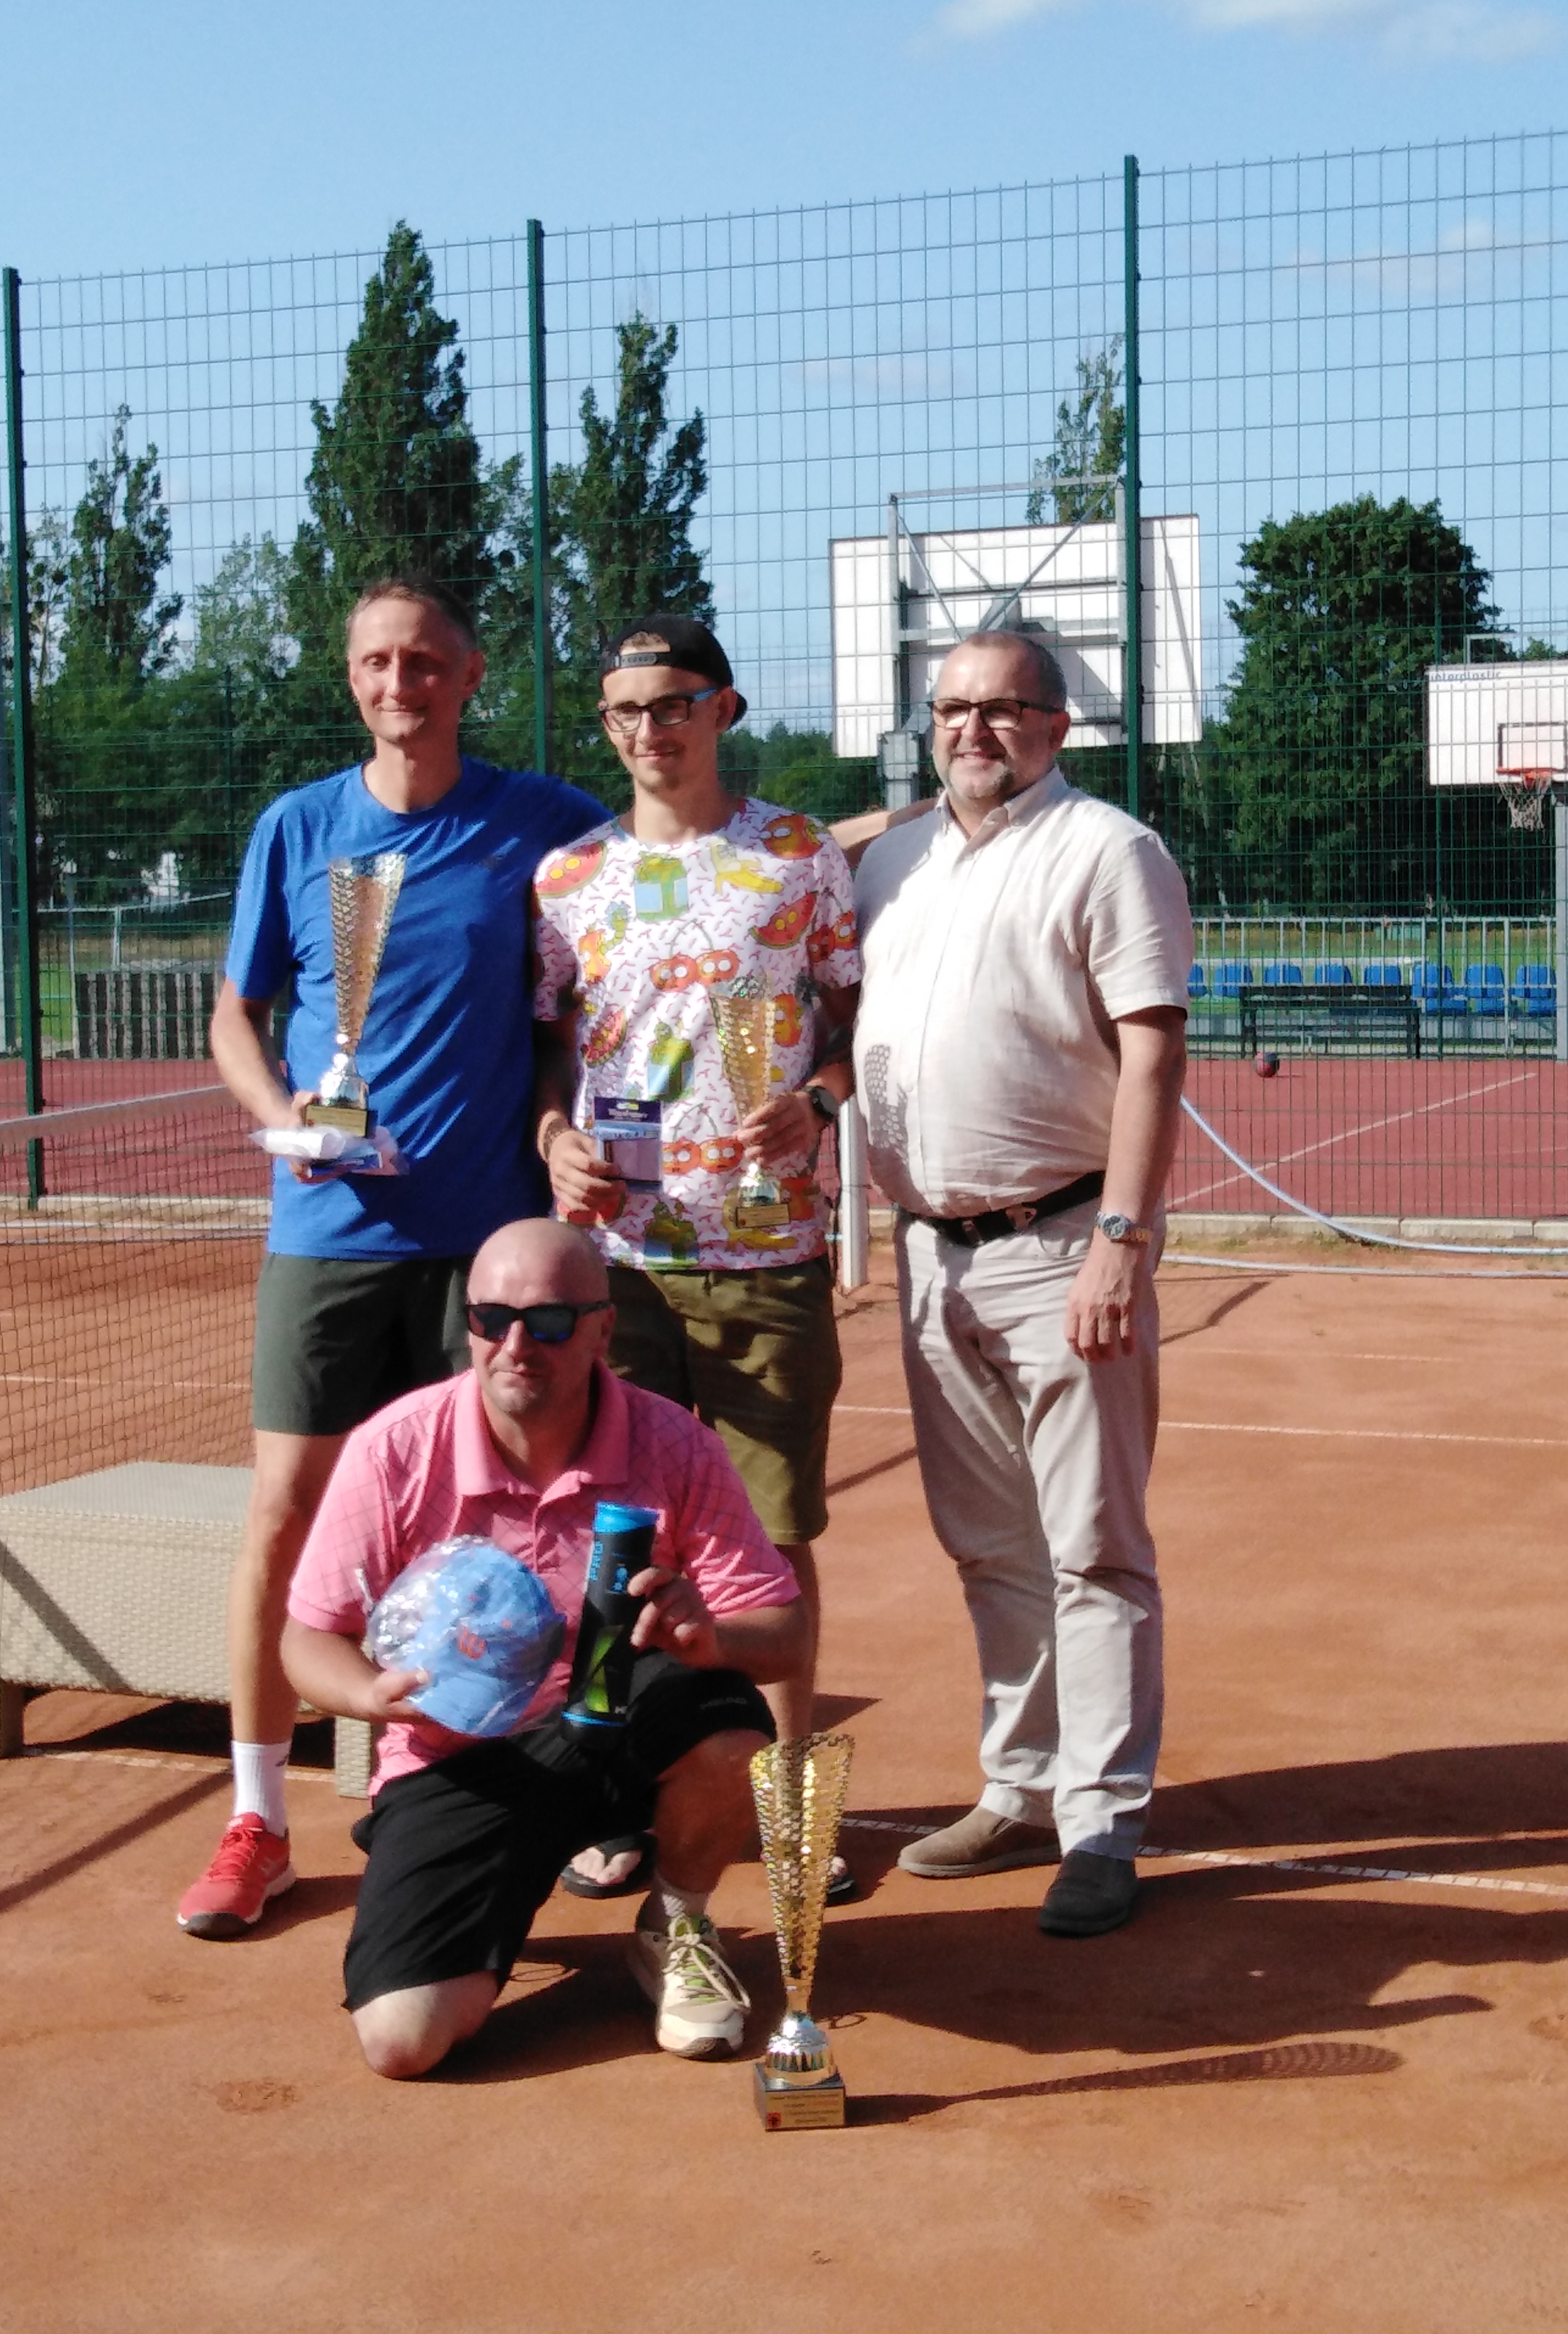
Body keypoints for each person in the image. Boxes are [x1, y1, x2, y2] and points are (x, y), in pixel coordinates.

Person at [176, 579, 604, 1939]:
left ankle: (546, 1795)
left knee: (511, 1520)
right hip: (329, 1232)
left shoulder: (539, 820)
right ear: (350, 676)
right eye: (375, 660)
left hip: (489, 1245)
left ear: (469, 674)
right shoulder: (299, 827)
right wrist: (281, 1119)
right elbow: (235, 1014)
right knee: (286, 1516)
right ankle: (257, 1819)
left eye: (424, 660)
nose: (399, 681)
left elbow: (662, 886)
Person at [283, 1218, 807, 2078]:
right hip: (463, 1760)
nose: (517, 1344)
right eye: (493, 1319)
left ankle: (677, 1921)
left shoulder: (675, 1441)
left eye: (552, 1322)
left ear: (604, 1329)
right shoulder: (397, 1446)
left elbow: (784, 1637)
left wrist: (709, 1636)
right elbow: (309, 1637)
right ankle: (489, 1890)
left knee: (730, 1725)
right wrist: (366, 1697)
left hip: (626, 1723)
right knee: (402, 2042)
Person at [853, 629, 1193, 1939]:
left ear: (1058, 726)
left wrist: (1124, 1235)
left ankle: (1102, 1821)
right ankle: (1023, 1784)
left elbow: (1153, 1053)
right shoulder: (894, 860)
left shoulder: (1109, 851)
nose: (973, 730)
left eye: (1003, 710)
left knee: (1096, 1545)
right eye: (951, 708)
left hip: (1063, 1246)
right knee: (989, 1544)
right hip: (931, 1251)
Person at [530, 616, 861, 1902]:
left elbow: (850, 1021)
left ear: (721, 708)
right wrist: (556, 1136)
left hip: (771, 1252)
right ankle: (617, 1795)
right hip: (619, 1262)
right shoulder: (567, 877)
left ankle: (787, 1810)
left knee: (773, 1543)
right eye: (625, 712)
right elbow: (554, 1047)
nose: (649, 730)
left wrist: (821, 1100)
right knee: (614, 1538)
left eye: (674, 704)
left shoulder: (796, 854)